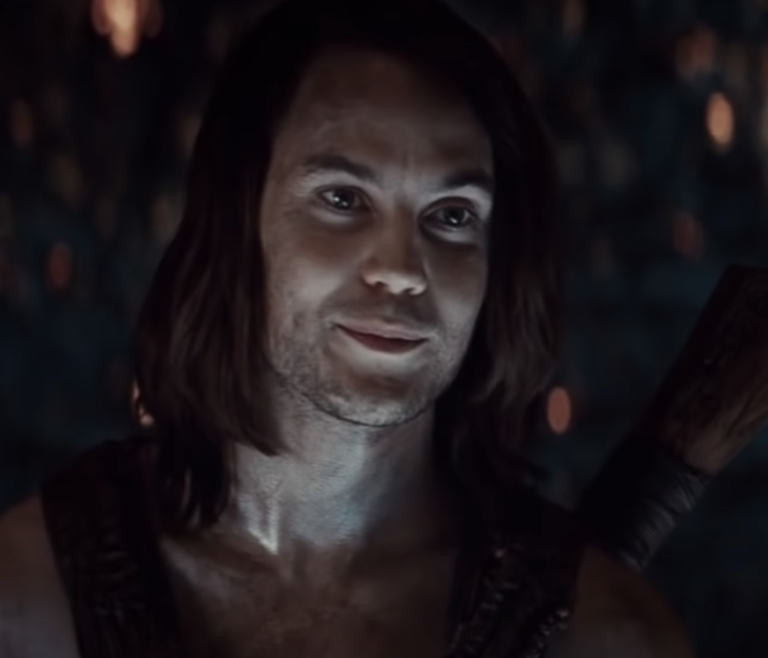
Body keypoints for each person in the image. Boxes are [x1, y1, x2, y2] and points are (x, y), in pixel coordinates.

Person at [0, 0, 696, 655]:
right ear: (238, 221)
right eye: (342, 198)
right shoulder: (28, 601)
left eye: (453, 215)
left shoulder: (608, 635)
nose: (401, 269)